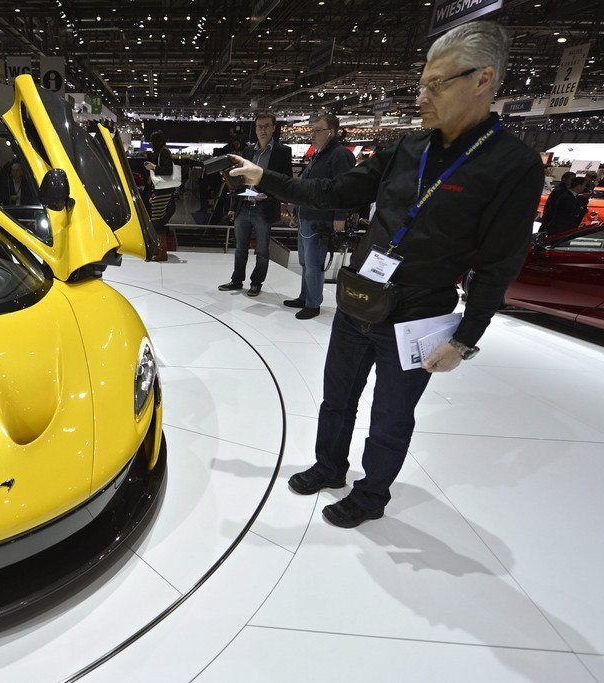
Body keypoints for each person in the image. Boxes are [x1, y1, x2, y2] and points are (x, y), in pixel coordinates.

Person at [229, 21, 542, 528]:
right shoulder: (406, 148)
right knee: (337, 397)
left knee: (391, 415)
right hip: (360, 296)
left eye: (436, 84)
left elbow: (498, 263)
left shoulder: (513, 165)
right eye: (422, 83)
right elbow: (335, 193)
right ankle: (329, 466)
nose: (421, 97)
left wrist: (464, 339)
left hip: (419, 315)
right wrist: (267, 178)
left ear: (483, 80)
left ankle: (372, 494)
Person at [283, 113, 356, 318]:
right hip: (306, 216)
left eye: (318, 130)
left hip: (320, 219)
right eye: (312, 130)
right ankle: (305, 297)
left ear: (331, 132)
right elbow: (307, 188)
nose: (312, 135)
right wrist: (296, 212)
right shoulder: (318, 155)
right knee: (305, 262)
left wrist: (340, 215)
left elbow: (345, 188)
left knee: (314, 264)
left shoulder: (340, 155)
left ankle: (313, 304)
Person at [218, 112, 293, 296]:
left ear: (273, 128)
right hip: (244, 204)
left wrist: (270, 195)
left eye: (266, 126)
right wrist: (233, 207)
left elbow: (286, 181)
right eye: (259, 126)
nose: (262, 130)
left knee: (262, 250)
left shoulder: (282, 152)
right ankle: (237, 280)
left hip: (264, 207)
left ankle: (256, 283)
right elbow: (241, 180)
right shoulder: (249, 150)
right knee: (240, 248)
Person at [143, 130, 177, 261]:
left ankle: (162, 252)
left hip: (163, 191)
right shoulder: (161, 152)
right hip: (161, 190)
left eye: (153, 141)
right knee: (156, 222)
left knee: (157, 222)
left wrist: (153, 167)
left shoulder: (164, 152)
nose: (152, 144)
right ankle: (159, 249)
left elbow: (168, 170)